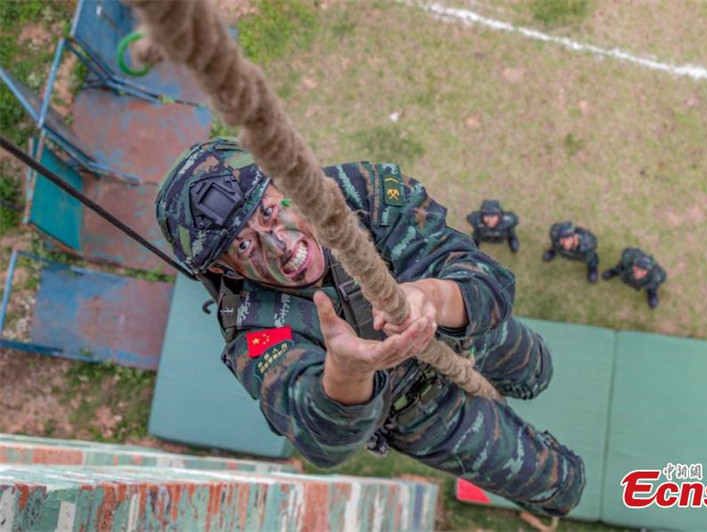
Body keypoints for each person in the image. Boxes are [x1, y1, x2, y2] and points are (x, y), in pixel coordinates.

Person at [156, 138, 585, 517]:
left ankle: (530, 381)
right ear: (219, 268)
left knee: (537, 370)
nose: (282, 247)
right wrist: (347, 372)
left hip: (472, 332)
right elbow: (322, 441)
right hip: (421, 413)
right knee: (559, 486)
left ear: (281, 183)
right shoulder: (255, 328)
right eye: (245, 246)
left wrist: (431, 298)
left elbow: (489, 284)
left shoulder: (362, 194)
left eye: (269, 211)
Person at [602, 248, 667, 309]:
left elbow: (663, 277)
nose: (636, 269)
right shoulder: (630, 258)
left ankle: (652, 293)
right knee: (620, 267)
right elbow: (626, 251)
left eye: (640, 270)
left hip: (647, 281)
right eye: (636, 266)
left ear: (645, 272)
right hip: (626, 269)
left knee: (653, 286)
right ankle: (613, 272)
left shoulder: (657, 274)